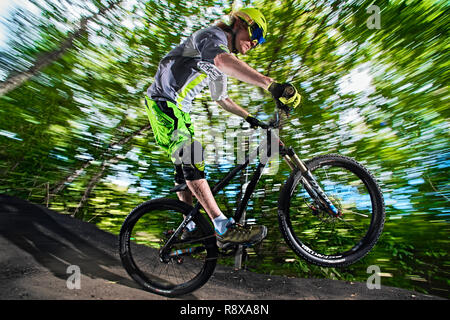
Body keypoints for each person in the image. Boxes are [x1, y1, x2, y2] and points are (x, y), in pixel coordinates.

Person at [145, 7, 301, 246]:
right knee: (192, 155)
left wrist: (252, 119)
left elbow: (222, 99)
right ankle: (222, 227)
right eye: (255, 34)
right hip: (163, 102)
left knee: (185, 170)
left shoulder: (219, 61)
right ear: (239, 23)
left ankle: (189, 227)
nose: (255, 43)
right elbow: (222, 60)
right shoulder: (211, 37)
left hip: (180, 111)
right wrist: (270, 84)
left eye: (260, 42)